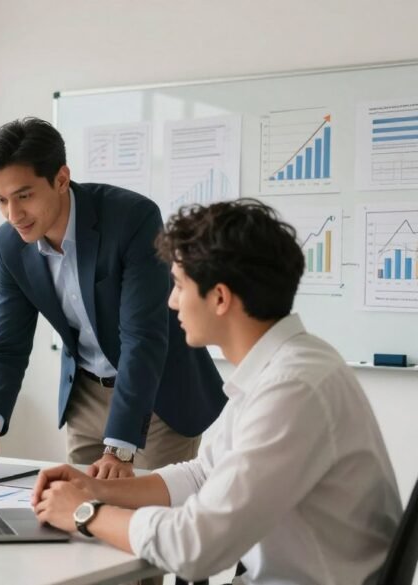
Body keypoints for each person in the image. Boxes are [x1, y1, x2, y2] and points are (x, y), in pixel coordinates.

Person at [31, 199, 402, 583]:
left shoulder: (293, 388)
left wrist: (86, 513)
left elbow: (195, 549)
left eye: (178, 285)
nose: (171, 301)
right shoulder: (281, 367)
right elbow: (203, 474)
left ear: (221, 298)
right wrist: (95, 488)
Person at [0, 117, 225, 483]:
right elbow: (7, 345)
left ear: (61, 179)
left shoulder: (131, 219)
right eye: (0, 200)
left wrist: (121, 446)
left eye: (24, 196)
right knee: (75, 516)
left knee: (146, 519)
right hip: (85, 395)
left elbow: (142, 337)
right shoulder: (9, 243)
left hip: (158, 397)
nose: (13, 215)